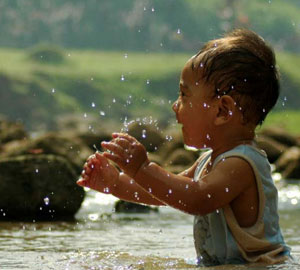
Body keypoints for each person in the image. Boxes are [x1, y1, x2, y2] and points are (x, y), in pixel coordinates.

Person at [77, 29, 291, 266]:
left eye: (184, 95)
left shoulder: (241, 165)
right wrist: (115, 182)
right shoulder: (210, 161)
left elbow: (197, 199)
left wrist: (142, 168)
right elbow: (165, 192)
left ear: (222, 111)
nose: (175, 106)